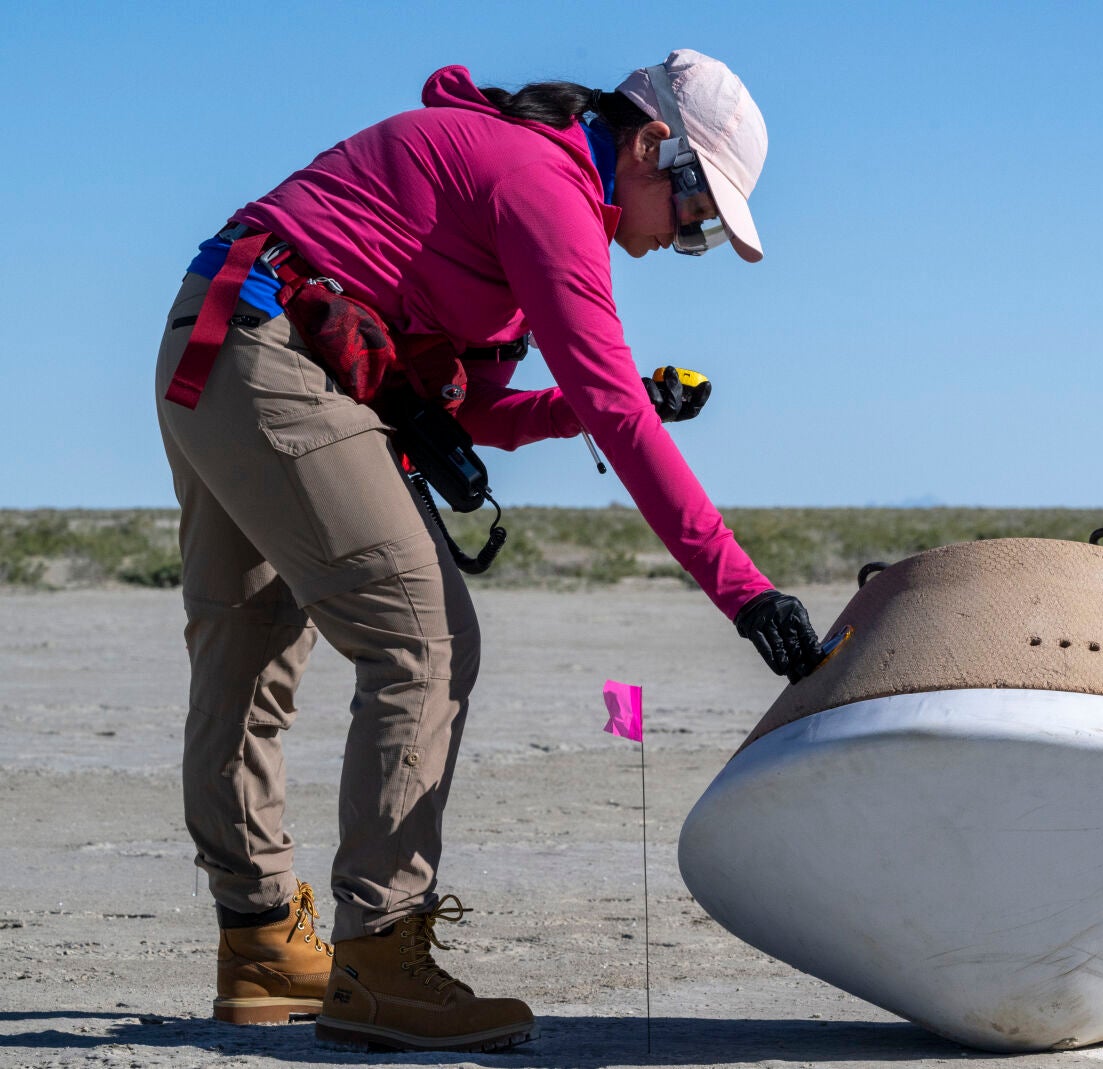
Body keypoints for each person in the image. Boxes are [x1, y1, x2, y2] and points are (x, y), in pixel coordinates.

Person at [153, 50, 821, 1053]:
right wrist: (746, 592)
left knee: (246, 655)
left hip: (212, 340)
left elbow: (487, 412)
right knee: (425, 643)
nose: (683, 239)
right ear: (651, 145)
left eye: (706, 232)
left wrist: (606, 403)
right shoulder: (543, 185)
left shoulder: (516, 178)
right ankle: (381, 954)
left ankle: (260, 942)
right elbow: (617, 417)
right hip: (272, 351)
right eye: (695, 212)